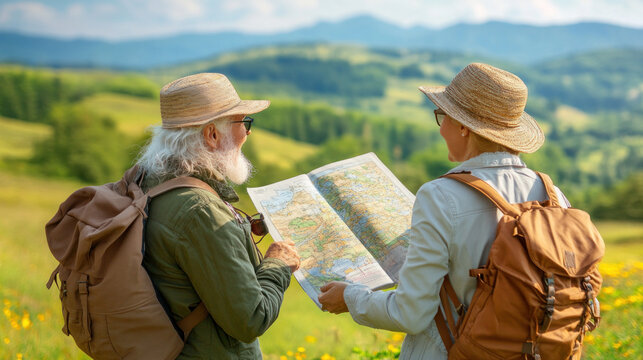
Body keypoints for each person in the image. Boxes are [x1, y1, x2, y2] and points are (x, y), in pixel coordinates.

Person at [318, 63, 570, 359]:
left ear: (464, 127)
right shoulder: (553, 196)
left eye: (443, 117)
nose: (442, 130)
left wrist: (349, 297)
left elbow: (410, 314)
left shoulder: (440, 196)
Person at [135, 73, 300, 359]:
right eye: (243, 123)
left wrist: (241, 228)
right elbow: (251, 318)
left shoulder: (149, 181)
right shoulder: (201, 212)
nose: (247, 133)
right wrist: (277, 264)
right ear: (212, 134)